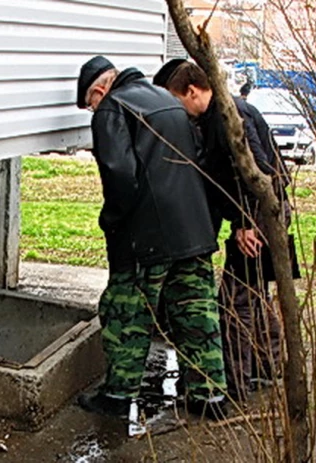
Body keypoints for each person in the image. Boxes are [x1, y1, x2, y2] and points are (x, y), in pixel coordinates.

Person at [75, 56, 228, 422]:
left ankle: (117, 397)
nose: (93, 111)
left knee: (126, 312)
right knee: (197, 313)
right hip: (194, 231)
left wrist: (112, 220)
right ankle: (210, 396)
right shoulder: (167, 101)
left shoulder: (113, 108)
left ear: (98, 90)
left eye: (89, 104)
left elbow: (120, 175)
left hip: (147, 237)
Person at [153, 59, 292, 401]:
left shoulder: (230, 116)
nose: (178, 110)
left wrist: (246, 223)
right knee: (255, 294)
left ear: (193, 91)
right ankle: (269, 366)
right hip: (260, 213)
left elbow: (259, 171)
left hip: (260, 214)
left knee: (233, 303)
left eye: (177, 101)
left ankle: (235, 388)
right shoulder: (216, 115)